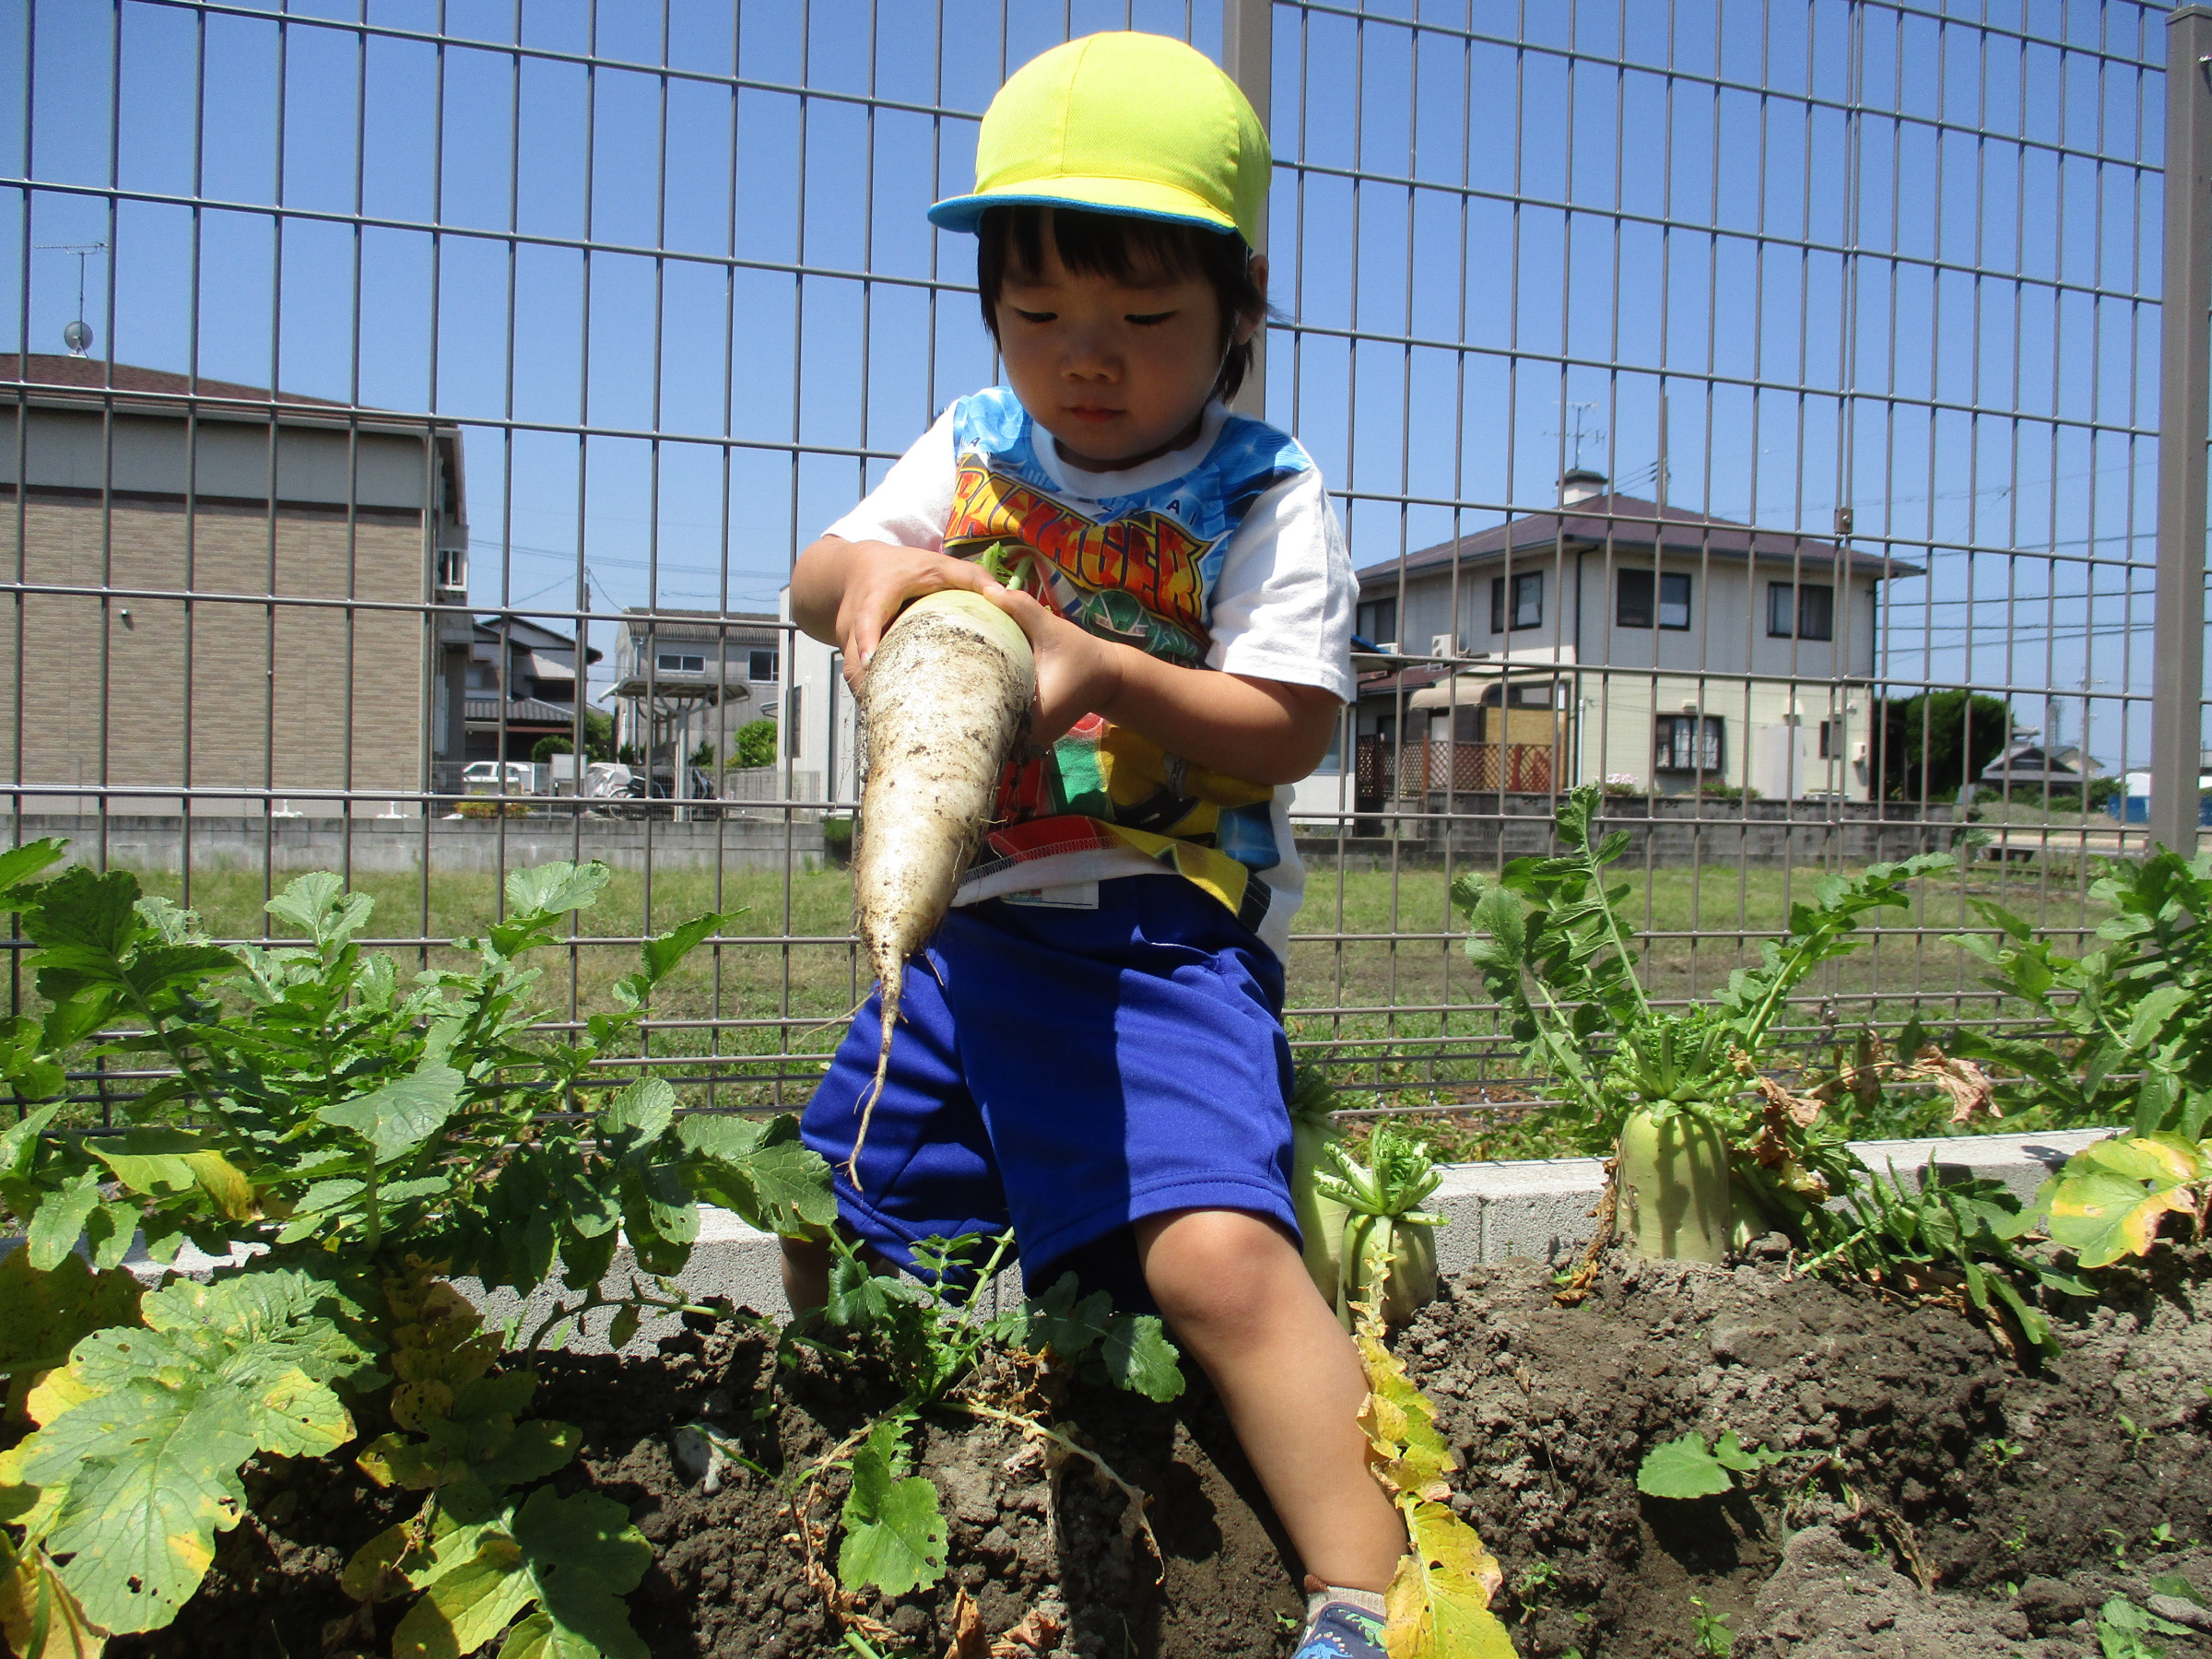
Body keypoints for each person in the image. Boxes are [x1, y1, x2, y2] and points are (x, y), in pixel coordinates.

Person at [782, 32, 1404, 1658]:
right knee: (833, 1203)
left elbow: (1289, 724)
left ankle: (1363, 1585)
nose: (1087, 360)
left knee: (1210, 1262)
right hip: (964, 936)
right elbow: (820, 568)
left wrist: (1107, 668)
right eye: (1043, 315)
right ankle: (875, 1471)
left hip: (1158, 941)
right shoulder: (975, 445)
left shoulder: (1266, 494)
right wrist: (868, 588)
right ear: (994, 310)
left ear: (1238, 314)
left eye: (1141, 322)